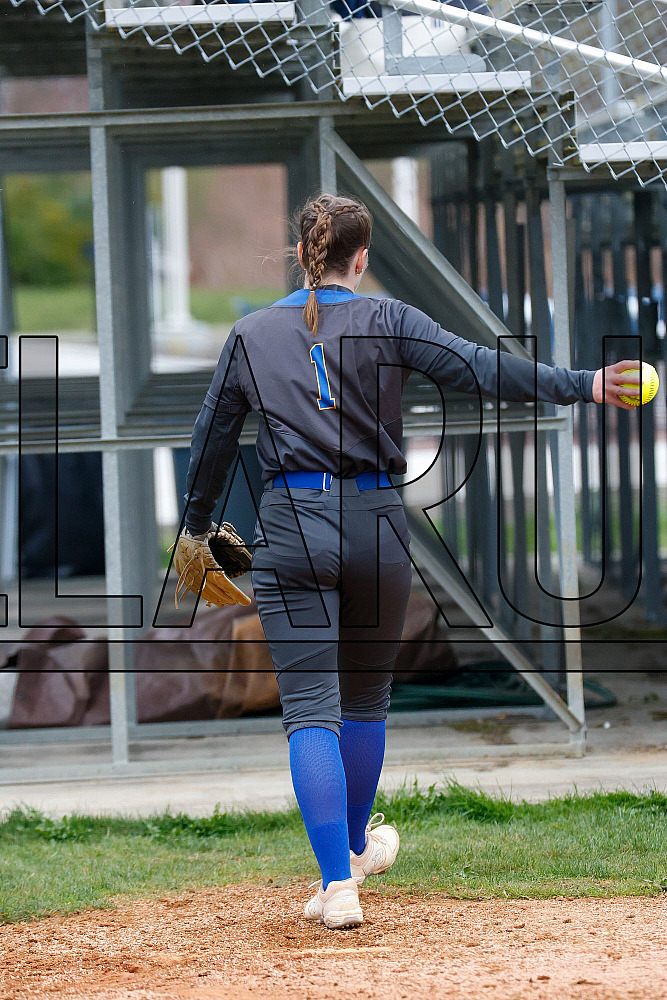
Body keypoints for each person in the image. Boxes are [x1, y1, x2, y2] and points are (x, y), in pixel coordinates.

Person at [182, 193, 640, 930]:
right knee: (364, 702)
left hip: (292, 524)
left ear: (301, 256)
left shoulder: (249, 334)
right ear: (361, 259)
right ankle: (352, 853)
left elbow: (210, 443)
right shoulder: (389, 319)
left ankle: (339, 882)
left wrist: (196, 530)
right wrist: (582, 384)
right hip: (374, 521)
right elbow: (481, 369)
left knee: (310, 712)